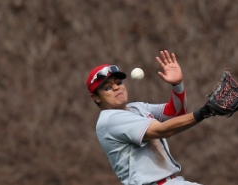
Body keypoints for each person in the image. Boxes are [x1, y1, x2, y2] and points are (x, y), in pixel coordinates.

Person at [86, 50, 214, 185]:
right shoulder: (110, 120)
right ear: (95, 97)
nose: (116, 88)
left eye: (119, 82)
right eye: (107, 88)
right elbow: (164, 130)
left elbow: (175, 113)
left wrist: (177, 85)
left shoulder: (136, 108)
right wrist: (205, 111)